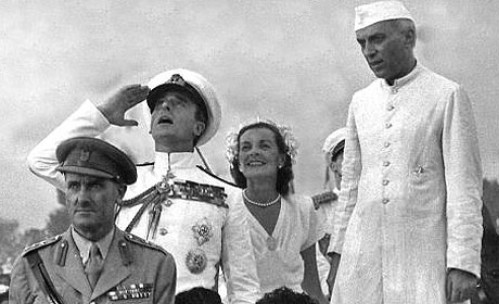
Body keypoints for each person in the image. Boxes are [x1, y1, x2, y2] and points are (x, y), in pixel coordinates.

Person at [27, 69, 260, 303]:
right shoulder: (118, 181)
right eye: (158, 104)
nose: (165, 107)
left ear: (198, 127)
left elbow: (244, 289)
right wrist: (103, 115)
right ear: (150, 127)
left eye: (178, 103)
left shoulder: (228, 196)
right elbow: (41, 161)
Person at [327, 2, 483, 304]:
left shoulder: (446, 94)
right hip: (363, 256)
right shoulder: (361, 102)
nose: (368, 51)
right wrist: (338, 255)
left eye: (378, 39)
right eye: (362, 43)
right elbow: (350, 189)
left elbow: (465, 187)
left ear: (409, 37)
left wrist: (462, 263)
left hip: (423, 256)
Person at [11, 137, 176, 303]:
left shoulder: (156, 264)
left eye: (95, 186)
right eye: (74, 186)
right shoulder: (32, 265)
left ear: (120, 193)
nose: (82, 198)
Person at [226, 120, 327, 304]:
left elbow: (312, 284)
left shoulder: (303, 208)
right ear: (238, 162)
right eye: (246, 148)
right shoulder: (227, 209)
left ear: (281, 159)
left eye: (264, 146)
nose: (253, 152)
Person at [313, 127, 346, 297]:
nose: (354, 160)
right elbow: (316, 259)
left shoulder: (372, 205)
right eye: (345, 155)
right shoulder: (319, 208)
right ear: (333, 165)